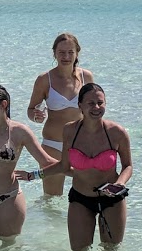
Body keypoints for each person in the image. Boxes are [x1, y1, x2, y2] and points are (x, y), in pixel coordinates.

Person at [50, 82, 134, 251]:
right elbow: (64, 167)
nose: (96, 107)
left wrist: (120, 183)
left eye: (100, 103)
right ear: (80, 105)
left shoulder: (117, 132)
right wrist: (34, 175)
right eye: (90, 103)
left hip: (112, 200)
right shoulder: (70, 130)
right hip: (80, 198)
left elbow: (128, 166)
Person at [0, 85, 55, 242]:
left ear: (4, 104)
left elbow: (46, 161)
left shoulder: (20, 131)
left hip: (8, 199)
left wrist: (79, 171)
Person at [26, 32, 94, 198]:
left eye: (70, 52)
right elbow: (30, 110)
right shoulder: (44, 79)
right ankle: (49, 225)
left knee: (87, 193)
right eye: (61, 52)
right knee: (51, 198)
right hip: (53, 144)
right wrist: (36, 116)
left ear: (77, 52)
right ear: (54, 53)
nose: (66, 56)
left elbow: (94, 109)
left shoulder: (87, 77)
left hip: (82, 144)